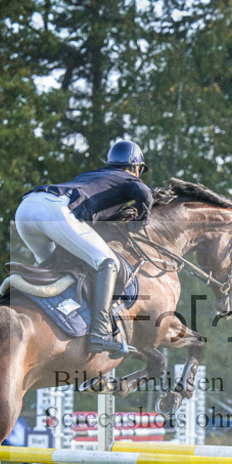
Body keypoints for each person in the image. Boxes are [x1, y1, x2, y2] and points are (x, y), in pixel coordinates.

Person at [14, 140, 153, 358]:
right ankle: (99, 334)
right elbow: (144, 191)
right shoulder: (127, 178)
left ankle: (41, 314)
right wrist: (142, 220)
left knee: (52, 270)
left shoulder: (98, 176)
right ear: (136, 168)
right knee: (108, 262)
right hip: (54, 211)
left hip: (26, 208)